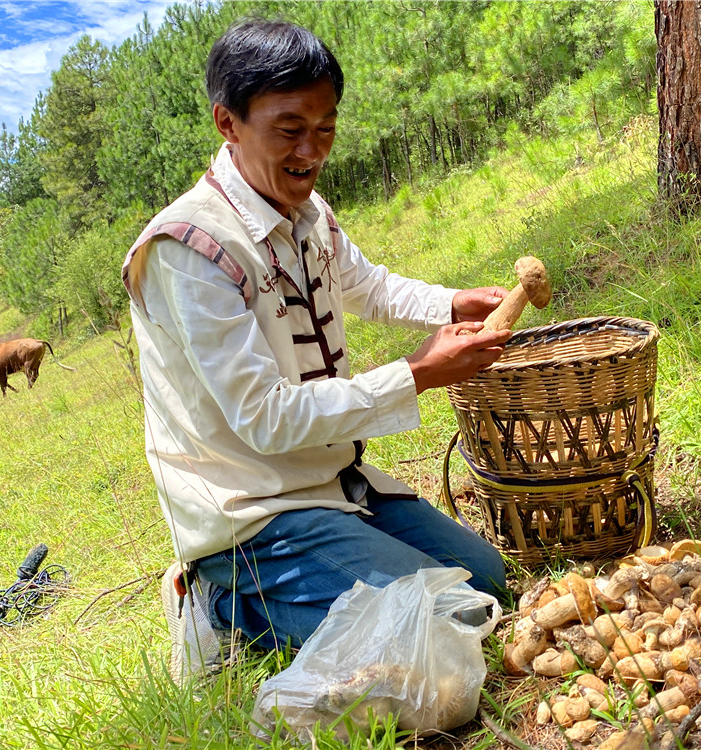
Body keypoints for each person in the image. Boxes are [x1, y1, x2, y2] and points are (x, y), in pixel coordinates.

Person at [121, 17, 512, 682]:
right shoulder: (188, 249)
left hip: (330, 483)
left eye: (326, 125)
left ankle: (313, 572)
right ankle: (218, 602)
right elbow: (264, 417)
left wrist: (452, 304)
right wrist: (417, 375)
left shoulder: (307, 214)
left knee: (488, 582)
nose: (313, 148)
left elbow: (366, 285)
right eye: (290, 128)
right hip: (253, 510)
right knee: (452, 618)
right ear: (228, 123)